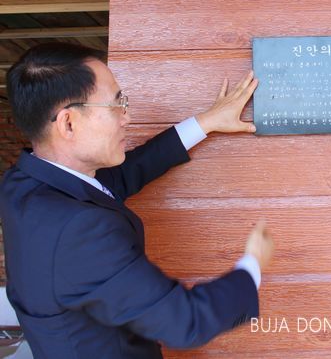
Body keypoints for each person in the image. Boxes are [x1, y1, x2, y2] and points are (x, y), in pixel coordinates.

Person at [0, 43, 274, 359]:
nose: (126, 118)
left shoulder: (25, 183)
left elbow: (119, 177)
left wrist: (206, 122)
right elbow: (186, 323)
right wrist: (253, 265)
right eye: (116, 105)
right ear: (69, 123)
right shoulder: (77, 230)